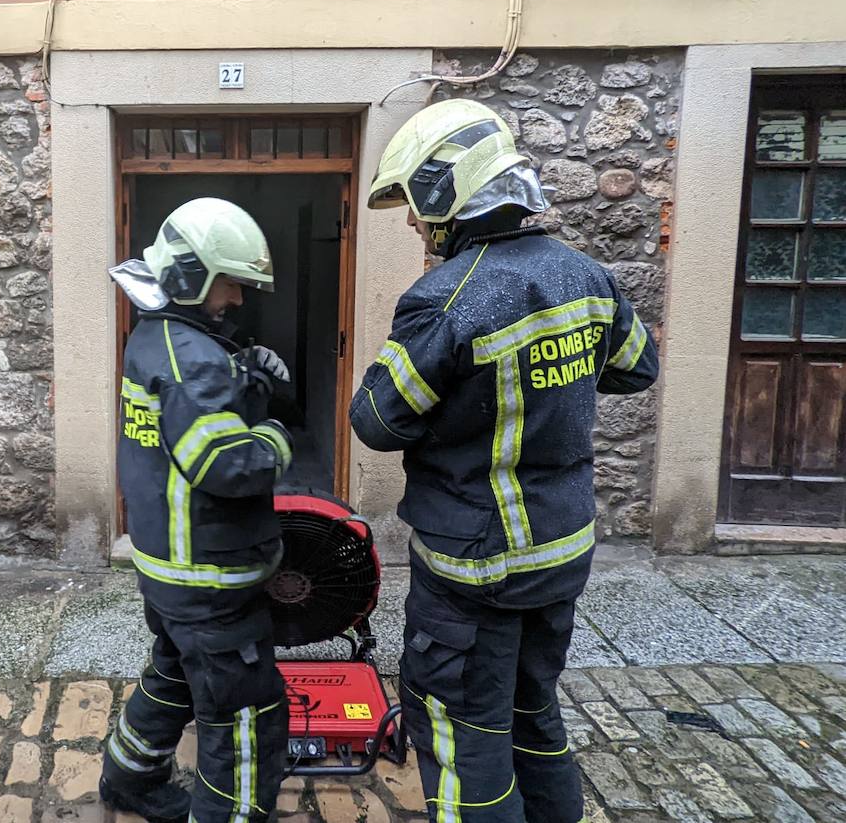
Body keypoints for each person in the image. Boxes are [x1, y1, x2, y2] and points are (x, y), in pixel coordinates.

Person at [350, 100, 659, 823]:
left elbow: (377, 419)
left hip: (474, 570)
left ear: (446, 194)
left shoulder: (444, 298)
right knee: (532, 710)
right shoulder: (589, 275)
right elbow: (636, 368)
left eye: (414, 207)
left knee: (460, 733)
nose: (411, 225)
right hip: (560, 551)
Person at [100, 197, 294, 823]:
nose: (238, 300)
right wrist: (279, 436)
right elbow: (227, 463)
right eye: (232, 285)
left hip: (168, 568)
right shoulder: (191, 360)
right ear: (192, 276)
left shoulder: (156, 336)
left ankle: (129, 779)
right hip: (209, 579)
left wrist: (249, 380)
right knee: (245, 719)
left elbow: (185, 423)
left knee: (175, 676)